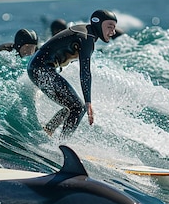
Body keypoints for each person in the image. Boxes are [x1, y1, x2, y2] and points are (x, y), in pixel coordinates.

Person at [28, 9, 117, 137]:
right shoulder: (87, 37)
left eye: (114, 28)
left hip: (37, 68)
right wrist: (88, 102)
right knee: (79, 107)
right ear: (98, 24)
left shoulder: (86, 32)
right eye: (109, 27)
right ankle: (62, 143)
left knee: (71, 106)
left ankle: (48, 130)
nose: (113, 32)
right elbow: (85, 71)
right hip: (41, 70)